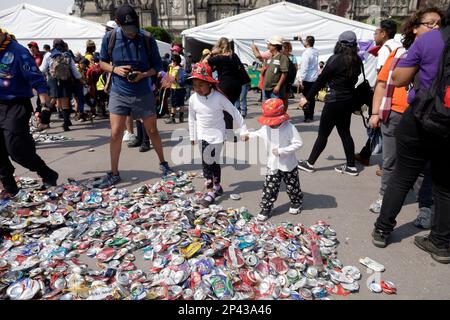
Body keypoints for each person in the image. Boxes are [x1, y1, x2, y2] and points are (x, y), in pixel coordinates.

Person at [371, 6, 450, 264]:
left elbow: (400, 78)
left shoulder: (430, 40)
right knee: (444, 185)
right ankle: (440, 242)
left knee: (402, 176)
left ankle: (383, 229)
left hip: (421, 117)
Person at [99, 4, 173, 186]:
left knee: (153, 131)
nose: (132, 33)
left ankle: (163, 163)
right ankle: (114, 172)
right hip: (119, 92)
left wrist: (143, 74)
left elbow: (157, 66)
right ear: (118, 23)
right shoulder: (109, 38)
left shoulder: (147, 38)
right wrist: (115, 69)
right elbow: (102, 63)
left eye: (134, 28)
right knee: (116, 133)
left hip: (143, 92)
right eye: (127, 29)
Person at [0, 28, 58, 198]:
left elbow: (36, 78)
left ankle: (47, 173)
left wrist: (45, 106)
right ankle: (10, 188)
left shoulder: (18, 51)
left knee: (17, 149)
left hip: (16, 105)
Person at [298, 31, 362, 176]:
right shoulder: (357, 60)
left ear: (340, 43)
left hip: (334, 101)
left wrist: (307, 98)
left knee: (323, 134)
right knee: (345, 133)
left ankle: (309, 163)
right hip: (348, 100)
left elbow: (320, 81)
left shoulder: (335, 59)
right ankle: (351, 166)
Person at [188, 63, 248, 208]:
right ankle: (209, 192)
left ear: (209, 83)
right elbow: (192, 118)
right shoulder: (193, 99)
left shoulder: (219, 98)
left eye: (201, 84)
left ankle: (217, 185)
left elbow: (234, 112)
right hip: (203, 136)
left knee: (214, 162)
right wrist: (193, 136)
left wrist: (244, 129)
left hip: (218, 136)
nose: (198, 88)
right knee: (206, 162)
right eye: (195, 85)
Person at [244, 98, 304, 222]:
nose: (271, 124)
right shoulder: (266, 127)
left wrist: (283, 150)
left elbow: (298, 143)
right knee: (269, 187)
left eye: (274, 122)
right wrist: (248, 136)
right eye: (269, 122)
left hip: (288, 164)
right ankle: (266, 207)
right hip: (273, 164)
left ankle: (296, 202)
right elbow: (258, 133)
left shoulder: (289, 128)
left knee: (292, 186)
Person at [355, 19, 402, 167]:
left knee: (380, 128)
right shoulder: (399, 46)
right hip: (397, 92)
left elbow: (382, 77)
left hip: (386, 95)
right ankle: (365, 154)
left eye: (376, 33)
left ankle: (385, 165)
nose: (374, 36)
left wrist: (376, 97)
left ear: (383, 33)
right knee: (384, 130)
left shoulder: (384, 50)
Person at [203, 37, 247, 141]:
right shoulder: (234, 56)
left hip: (225, 86)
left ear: (219, 46)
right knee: (229, 109)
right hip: (237, 86)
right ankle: (229, 133)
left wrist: (211, 53)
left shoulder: (220, 58)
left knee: (223, 110)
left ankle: (228, 134)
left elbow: (204, 62)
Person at [40, 38, 82, 131]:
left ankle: (44, 122)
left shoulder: (48, 55)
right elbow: (74, 71)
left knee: (50, 101)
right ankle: (66, 123)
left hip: (53, 80)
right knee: (65, 102)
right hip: (65, 81)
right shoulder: (67, 55)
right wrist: (81, 79)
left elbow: (42, 69)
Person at [298, 36, 319, 122]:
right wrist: (301, 41)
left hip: (307, 78)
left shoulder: (306, 53)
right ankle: (311, 115)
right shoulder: (315, 51)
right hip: (314, 78)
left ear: (307, 42)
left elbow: (304, 67)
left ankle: (307, 117)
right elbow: (308, 47)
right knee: (312, 98)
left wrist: (300, 79)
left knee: (305, 98)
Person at [263, 36, 289, 101]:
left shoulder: (282, 57)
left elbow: (284, 73)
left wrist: (278, 86)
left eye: (270, 44)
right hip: (266, 88)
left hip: (275, 90)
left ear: (275, 46)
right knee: (267, 110)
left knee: (275, 110)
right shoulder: (270, 57)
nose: (268, 46)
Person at [165, 54, 186, 124]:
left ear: (174, 61)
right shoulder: (181, 67)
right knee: (181, 103)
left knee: (173, 104)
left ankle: (172, 118)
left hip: (175, 88)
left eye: (172, 61)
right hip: (182, 88)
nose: (171, 62)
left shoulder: (175, 69)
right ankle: (181, 118)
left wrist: (168, 74)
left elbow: (172, 79)